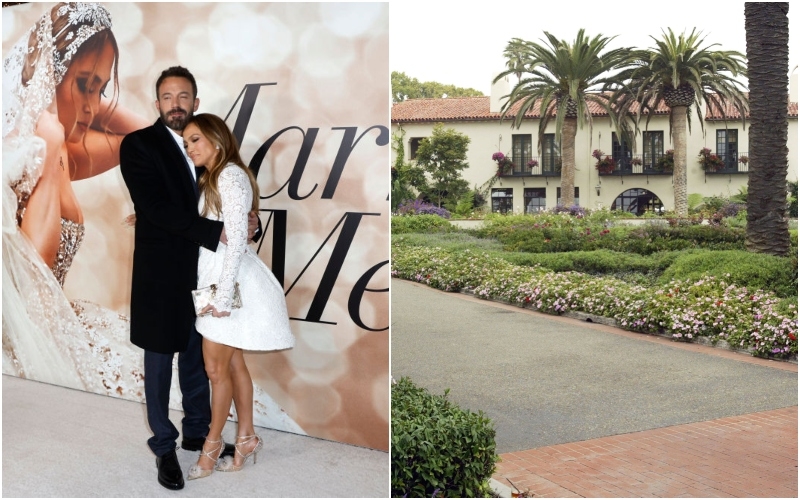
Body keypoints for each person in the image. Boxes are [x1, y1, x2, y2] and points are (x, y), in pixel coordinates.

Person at [2, 3, 149, 397]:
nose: (91, 106)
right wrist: (49, 156)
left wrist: (88, 98)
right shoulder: (15, 155)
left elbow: (150, 141)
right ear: (49, 74)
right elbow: (37, 277)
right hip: (26, 348)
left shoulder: (68, 148)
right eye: (83, 83)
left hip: (60, 331)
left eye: (100, 89)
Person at [181, 113, 295, 480]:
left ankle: (211, 447)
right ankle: (245, 437)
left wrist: (224, 297)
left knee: (216, 369)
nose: (190, 148)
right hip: (218, 281)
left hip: (225, 284)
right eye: (186, 143)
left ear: (216, 138)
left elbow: (233, 244)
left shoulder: (228, 175)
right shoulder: (216, 176)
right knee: (232, 365)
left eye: (195, 139)